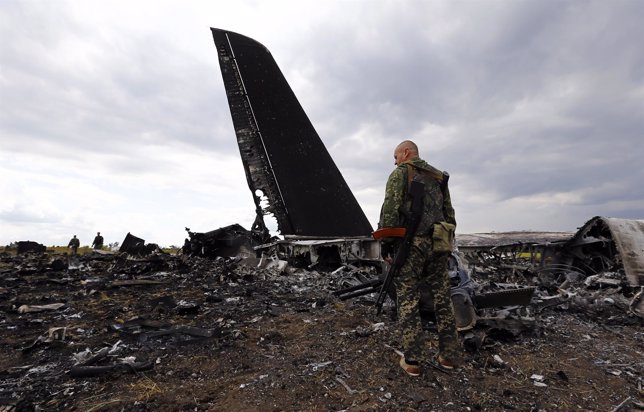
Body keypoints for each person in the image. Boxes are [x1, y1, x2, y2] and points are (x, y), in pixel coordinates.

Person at [379, 140, 460, 377]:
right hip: (439, 244)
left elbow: (391, 213)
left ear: (406, 153)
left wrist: (387, 245)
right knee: (443, 298)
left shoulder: (401, 173)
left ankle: (413, 360)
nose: (395, 161)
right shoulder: (439, 177)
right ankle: (449, 356)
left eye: (396, 156)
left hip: (412, 245)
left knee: (407, 298)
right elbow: (450, 215)